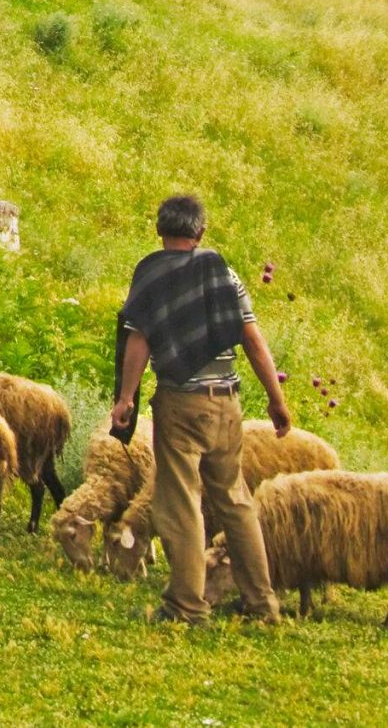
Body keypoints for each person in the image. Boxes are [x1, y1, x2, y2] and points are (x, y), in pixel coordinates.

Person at [107, 194, 289, 625]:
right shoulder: (223, 274)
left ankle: (187, 606)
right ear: (200, 231)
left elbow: (139, 340)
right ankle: (262, 605)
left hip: (181, 402)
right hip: (227, 403)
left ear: (159, 230)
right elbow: (252, 339)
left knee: (180, 502)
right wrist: (276, 399)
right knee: (235, 501)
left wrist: (126, 398)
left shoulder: (151, 275)